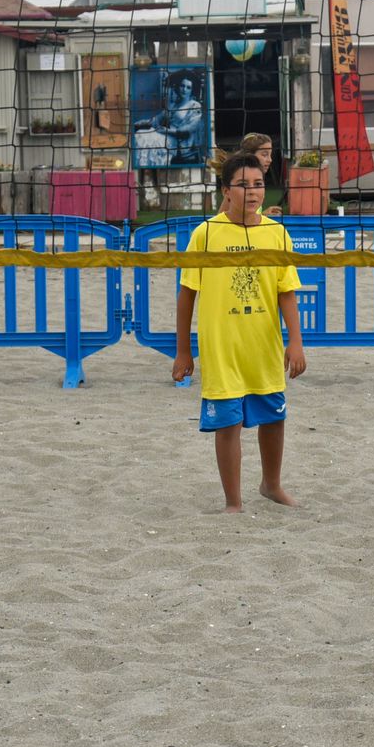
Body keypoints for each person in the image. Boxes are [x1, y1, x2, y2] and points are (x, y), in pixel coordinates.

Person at [172, 152, 307, 513]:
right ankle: (234, 502)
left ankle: (271, 485)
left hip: (263, 345)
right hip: (222, 347)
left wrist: (296, 342)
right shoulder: (206, 233)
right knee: (228, 423)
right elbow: (187, 294)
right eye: (243, 185)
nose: (252, 191)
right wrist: (183, 351)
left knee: (274, 418)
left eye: (258, 184)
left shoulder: (276, 232)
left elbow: (286, 292)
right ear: (226, 191)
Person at [136, 70, 206, 166]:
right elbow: (156, 120)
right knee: (140, 134)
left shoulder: (194, 105)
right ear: (178, 87)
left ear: (192, 90)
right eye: (182, 86)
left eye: (188, 87)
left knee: (148, 139)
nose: (184, 89)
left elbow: (189, 129)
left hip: (178, 141)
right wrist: (139, 123)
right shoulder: (173, 105)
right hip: (166, 134)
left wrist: (167, 131)